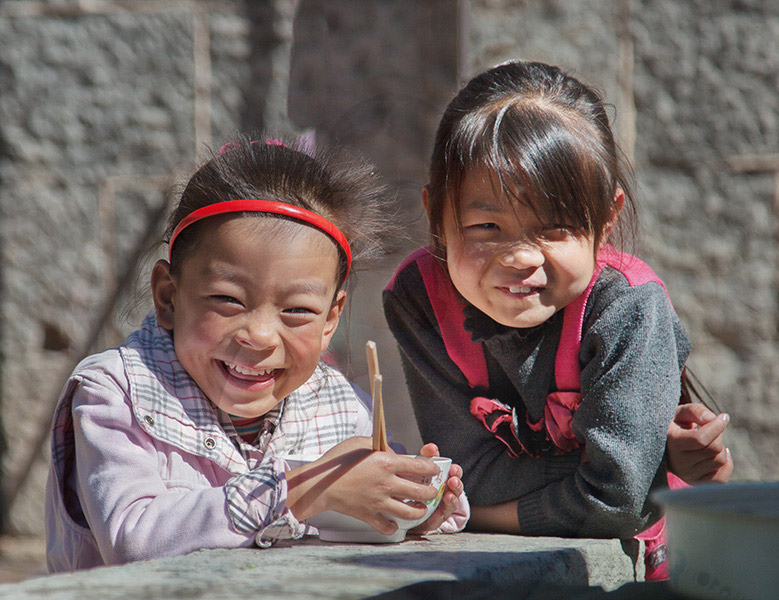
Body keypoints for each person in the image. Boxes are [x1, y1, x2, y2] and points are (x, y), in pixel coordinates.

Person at [45, 134, 468, 573]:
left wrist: (411, 507)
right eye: (228, 300)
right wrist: (301, 490)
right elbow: (132, 541)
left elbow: (364, 509)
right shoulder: (115, 393)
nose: (261, 336)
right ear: (168, 297)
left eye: (298, 310)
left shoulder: (339, 406)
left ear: (330, 319)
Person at [383, 61, 731, 580]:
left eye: (554, 228)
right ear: (437, 216)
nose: (520, 258)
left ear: (606, 218)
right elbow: (468, 473)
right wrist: (642, 463)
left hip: (658, 568)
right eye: (486, 225)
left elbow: (618, 502)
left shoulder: (628, 307)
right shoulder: (420, 299)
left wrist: (472, 515)